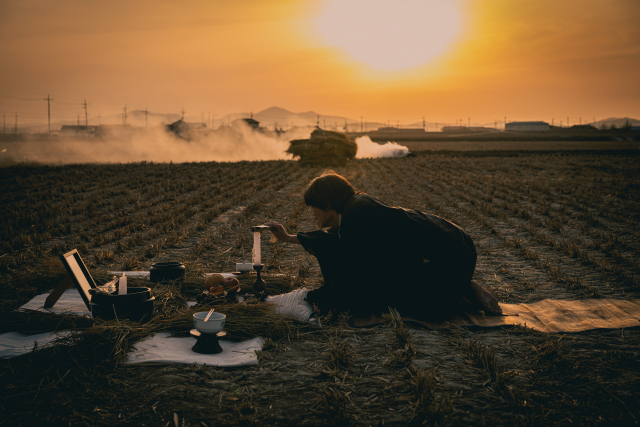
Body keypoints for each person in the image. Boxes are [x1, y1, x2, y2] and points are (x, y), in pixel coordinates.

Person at [265, 171, 501, 321]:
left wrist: (323, 297)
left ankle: (463, 287)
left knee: (394, 301)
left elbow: (352, 269)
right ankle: (460, 286)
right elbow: (334, 242)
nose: (312, 214)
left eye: (312, 208)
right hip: (457, 245)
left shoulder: (358, 216)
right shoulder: (354, 209)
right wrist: (287, 238)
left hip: (451, 256)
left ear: (326, 203)